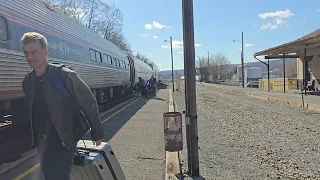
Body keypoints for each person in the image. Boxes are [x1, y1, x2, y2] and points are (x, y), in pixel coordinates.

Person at [21, 32, 105, 180]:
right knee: (49, 175)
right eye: (26, 53)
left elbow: (89, 104)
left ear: (46, 51)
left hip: (63, 139)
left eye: (34, 52)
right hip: (42, 142)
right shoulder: (28, 82)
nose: (30, 57)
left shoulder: (65, 76)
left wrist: (96, 133)